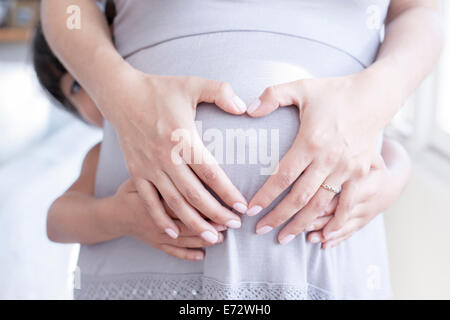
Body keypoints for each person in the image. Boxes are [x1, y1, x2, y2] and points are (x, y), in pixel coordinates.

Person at [40, 0, 440, 299]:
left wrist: (375, 104)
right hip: (145, 271)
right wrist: (119, 92)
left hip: (318, 266)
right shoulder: (96, 154)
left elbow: (420, 11)